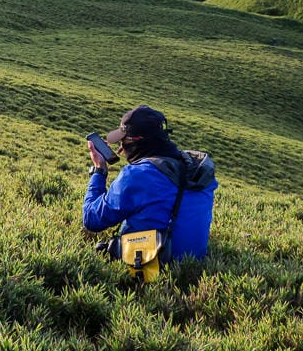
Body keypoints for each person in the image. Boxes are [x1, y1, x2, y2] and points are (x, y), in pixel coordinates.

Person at [83, 105, 217, 260]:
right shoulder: (196, 168)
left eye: (123, 141)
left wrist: (99, 170)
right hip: (195, 259)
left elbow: (92, 220)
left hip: (152, 262)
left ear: (135, 142)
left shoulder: (138, 175)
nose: (121, 147)